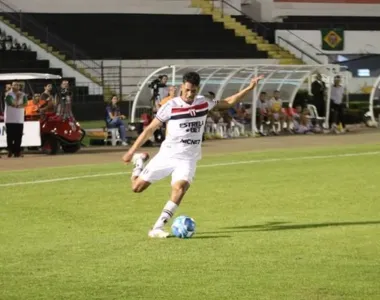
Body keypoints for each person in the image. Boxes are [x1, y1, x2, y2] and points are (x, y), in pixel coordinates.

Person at [122, 71, 264, 238]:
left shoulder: (203, 103)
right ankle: (139, 162)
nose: (190, 94)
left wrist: (249, 87)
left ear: (198, 89)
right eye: (187, 90)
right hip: (167, 155)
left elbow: (228, 102)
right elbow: (150, 129)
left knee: (180, 188)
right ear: (182, 87)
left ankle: (157, 227)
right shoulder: (171, 106)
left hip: (188, 158)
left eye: (193, 91)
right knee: (136, 188)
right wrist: (131, 151)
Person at [4, 82, 27, 158]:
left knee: (18, 136)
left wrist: (18, 105)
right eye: (14, 85)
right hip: (10, 119)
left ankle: (17, 151)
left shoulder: (23, 94)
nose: (16, 86)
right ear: (12, 86)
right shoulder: (8, 94)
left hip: (19, 119)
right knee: (10, 136)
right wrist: (17, 99)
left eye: (17, 85)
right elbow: (12, 103)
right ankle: (10, 150)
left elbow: (25, 104)